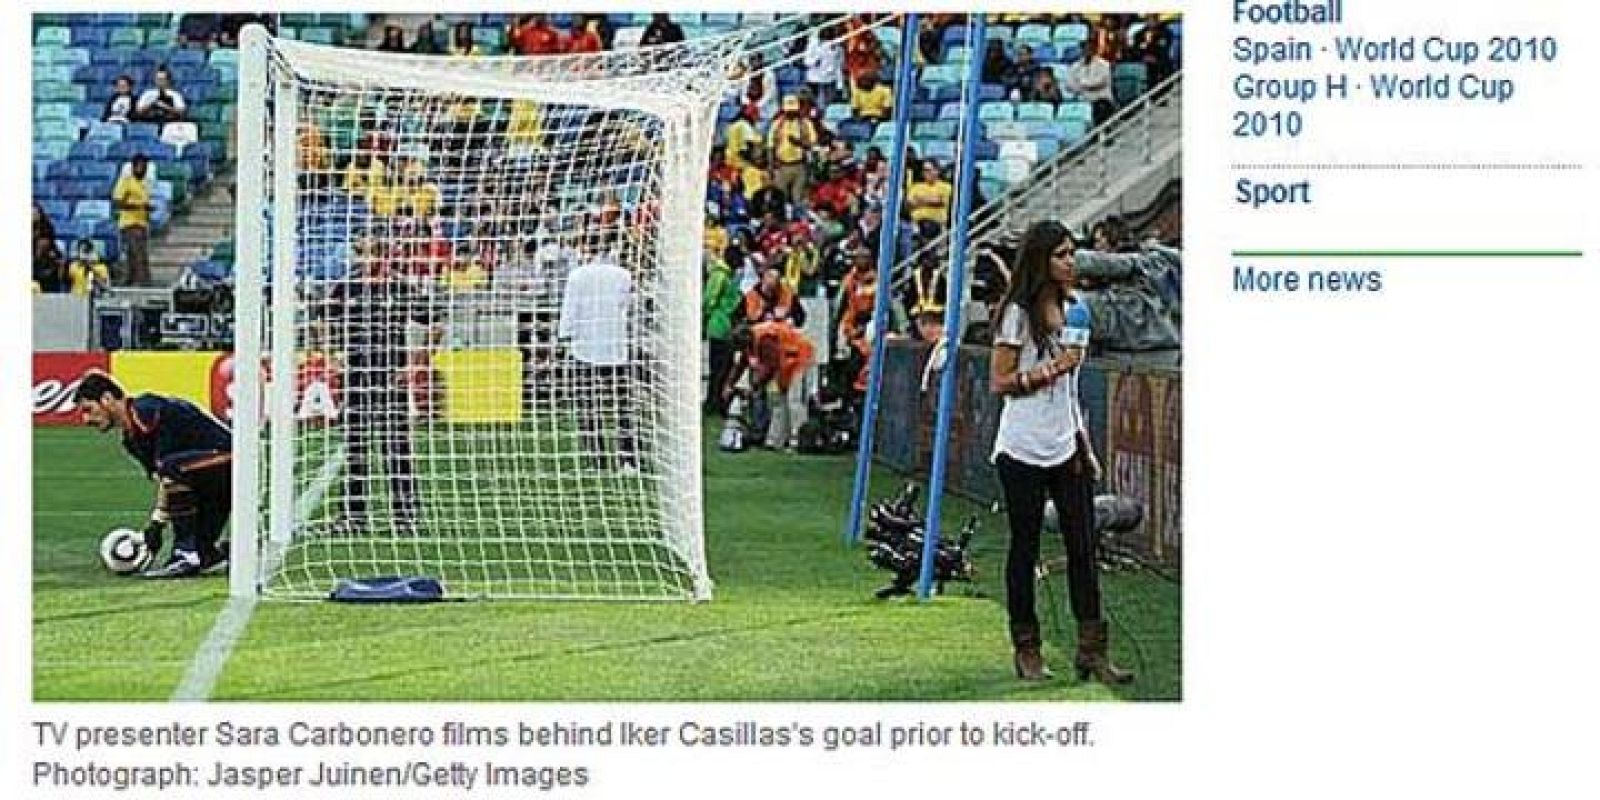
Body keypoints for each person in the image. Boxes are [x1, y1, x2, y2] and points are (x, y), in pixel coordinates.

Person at [988, 219, 1132, 684]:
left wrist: (1084, 444)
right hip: (1023, 445)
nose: (1071, 262)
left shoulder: (1075, 310)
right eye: (1062, 254)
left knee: (1083, 545)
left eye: (1074, 253)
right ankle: (1026, 647)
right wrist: (1050, 369)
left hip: (1065, 442)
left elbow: (1071, 391)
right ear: (1041, 261)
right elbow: (1001, 382)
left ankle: (1092, 648)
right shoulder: (1017, 314)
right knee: (1024, 546)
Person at [319, 237, 436, 530]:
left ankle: (406, 516)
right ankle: (353, 516)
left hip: (390, 375)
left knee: (396, 446)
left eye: (372, 254)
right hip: (357, 374)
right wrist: (332, 356)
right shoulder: (348, 286)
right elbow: (321, 320)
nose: (366, 260)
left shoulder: (400, 287)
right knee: (355, 446)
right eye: (362, 254)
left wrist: (416, 364)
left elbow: (434, 324)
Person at [73, 370, 232, 578]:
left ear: (107, 399)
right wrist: (154, 527)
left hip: (230, 462)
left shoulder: (144, 409)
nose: (86, 420)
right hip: (210, 482)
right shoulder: (131, 441)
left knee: (171, 467)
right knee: (204, 554)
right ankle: (223, 553)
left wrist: (157, 525)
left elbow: (168, 471)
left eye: (88, 409)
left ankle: (185, 554)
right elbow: (166, 483)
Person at [558, 235, 638, 471]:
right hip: (615, 347)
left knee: (588, 405)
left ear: (585, 248)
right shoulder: (623, 275)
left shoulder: (577, 276)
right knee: (622, 405)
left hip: (586, 347)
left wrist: (564, 335)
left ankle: (597, 460)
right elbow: (627, 306)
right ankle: (627, 460)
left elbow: (569, 310)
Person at [703, 247, 743, 414]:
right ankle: (714, 402)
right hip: (720, 325)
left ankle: (717, 401)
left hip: (725, 325)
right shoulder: (720, 275)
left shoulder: (726, 275)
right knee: (719, 368)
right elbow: (709, 300)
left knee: (724, 367)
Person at [111, 155, 153, 286]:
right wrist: (138, 206)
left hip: (142, 223)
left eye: (145, 167)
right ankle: (136, 281)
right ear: (134, 167)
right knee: (134, 253)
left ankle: (141, 280)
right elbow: (117, 202)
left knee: (142, 253)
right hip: (129, 223)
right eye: (141, 166)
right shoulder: (126, 182)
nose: (143, 169)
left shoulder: (144, 184)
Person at [768, 96, 818, 204]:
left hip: (799, 165)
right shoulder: (777, 124)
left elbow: (812, 145)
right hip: (782, 166)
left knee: (798, 198)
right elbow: (771, 146)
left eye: (793, 111)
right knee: (781, 198)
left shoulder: (806, 124)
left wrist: (798, 143)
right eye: (789, 111)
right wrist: (771, 167)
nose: (791, 113)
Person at [1066, 41, 1117, 125]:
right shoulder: (1075, 66)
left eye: (1089, 49)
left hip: (1100, 101)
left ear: (1094, 50)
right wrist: (1084, 85)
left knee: (1100, 108)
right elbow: (1069, 85)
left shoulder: (1104, 65)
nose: (1087, 51)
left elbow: (1098, 82)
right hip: (1081, 100)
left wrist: (1082, 84)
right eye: (1084, 49)